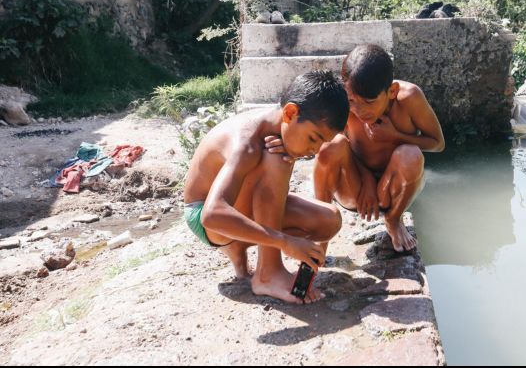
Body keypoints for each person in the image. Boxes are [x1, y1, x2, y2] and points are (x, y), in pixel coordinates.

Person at [183, 70, 348, 304]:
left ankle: (239, 249)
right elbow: (212, 215)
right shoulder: (247, 143)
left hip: (234, 207)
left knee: (328, 220)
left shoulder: (278, 130)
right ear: (290, 112)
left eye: (322, 143)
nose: (314, 150)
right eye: (313, 138)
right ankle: (267, 274)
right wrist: (284, 241)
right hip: (204, 214)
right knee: (276, 159)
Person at [311, 44, 445, 252]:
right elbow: (322, 141)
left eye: (369, 101)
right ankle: (321, 234)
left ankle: (393, 219)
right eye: (352, 101)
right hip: (355, 190)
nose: (359, 110)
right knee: (331, 146)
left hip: (392, 191)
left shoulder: (409, 98)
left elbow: (438, 143)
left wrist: (396, 136)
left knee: (411, 154)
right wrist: (365, 178)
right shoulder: (343, 101)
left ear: (391, 91)